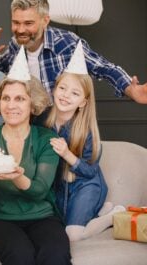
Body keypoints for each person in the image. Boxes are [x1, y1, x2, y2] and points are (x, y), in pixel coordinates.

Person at [0, 76, 71, 265]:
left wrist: (17, 176)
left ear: (33, 105)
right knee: (20, 255)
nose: (11, 105)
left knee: (55, 254)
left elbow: (39, 191)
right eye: (6, 98)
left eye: (20, 99)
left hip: (41, 216)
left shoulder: (46, 140)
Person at [0, 0, 147, 104]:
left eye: (28, 23)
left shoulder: (67, 42)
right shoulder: (15, 45)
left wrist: (131, 89)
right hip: (28, 123)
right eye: (16, 23)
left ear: (45, 20)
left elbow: (103, 67)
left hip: (61, 122)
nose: (20, 29)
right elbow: (1, 73)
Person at [46, 71, 126, 241]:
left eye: (75, 93)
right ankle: (97, 211)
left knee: (72, 234)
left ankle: (112, 215)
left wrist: (67, 154)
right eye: (62, 88)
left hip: (86, 185)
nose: (66, 95)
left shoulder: (87, 131)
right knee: (57, 226)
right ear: (54, 89)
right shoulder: (44, 122)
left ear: (83, 102)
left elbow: (90, 171)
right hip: (60, 188)